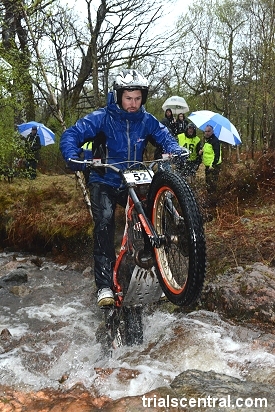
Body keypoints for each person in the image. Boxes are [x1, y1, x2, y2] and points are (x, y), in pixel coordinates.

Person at [60, 68, 185, 307]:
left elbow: (165, 135)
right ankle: (104, 286)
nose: (133, 104)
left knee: (150, 218)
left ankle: (159, 274)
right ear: (118, 96)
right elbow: (72, 134)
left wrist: (175, 149)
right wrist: (71, 155)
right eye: (128, 98)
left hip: (133, 180)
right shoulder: (102, 117)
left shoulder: (146, 120)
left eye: (138, 98)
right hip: (104, 179)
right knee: (105, 221)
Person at [199, 124, 222, 207]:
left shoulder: (215, 141)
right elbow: (208, 151)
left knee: (212, 185)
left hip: (213, 167)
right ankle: (211, 201)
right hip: (208, 166)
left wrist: (213, 165)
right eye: (205, 131)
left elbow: (217, 154)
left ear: (212, 132)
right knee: (208, 185)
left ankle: (213, 203)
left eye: (209, 131)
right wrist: (202, 151)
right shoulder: (207, 140)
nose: (207, 133)